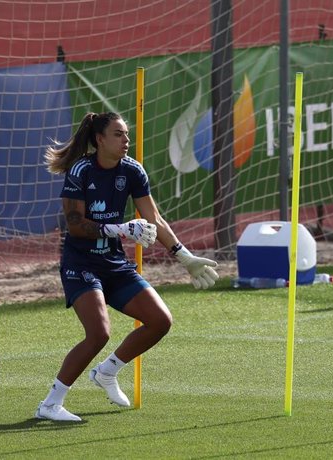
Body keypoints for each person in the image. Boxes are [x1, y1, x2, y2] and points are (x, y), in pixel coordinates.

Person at [35, 112, 219, 421]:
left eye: (127, 134)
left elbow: (153, 219)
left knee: (160, 320)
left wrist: (184, 257)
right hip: (81, 263)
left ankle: (107, 372)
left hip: (114, 263)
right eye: (119, 134)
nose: (126, 140)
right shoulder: (80, 170)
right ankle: (50, 404)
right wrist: (119, 229)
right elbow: (76, 224)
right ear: (100, 139)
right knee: (98, 333)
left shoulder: (133, 170)